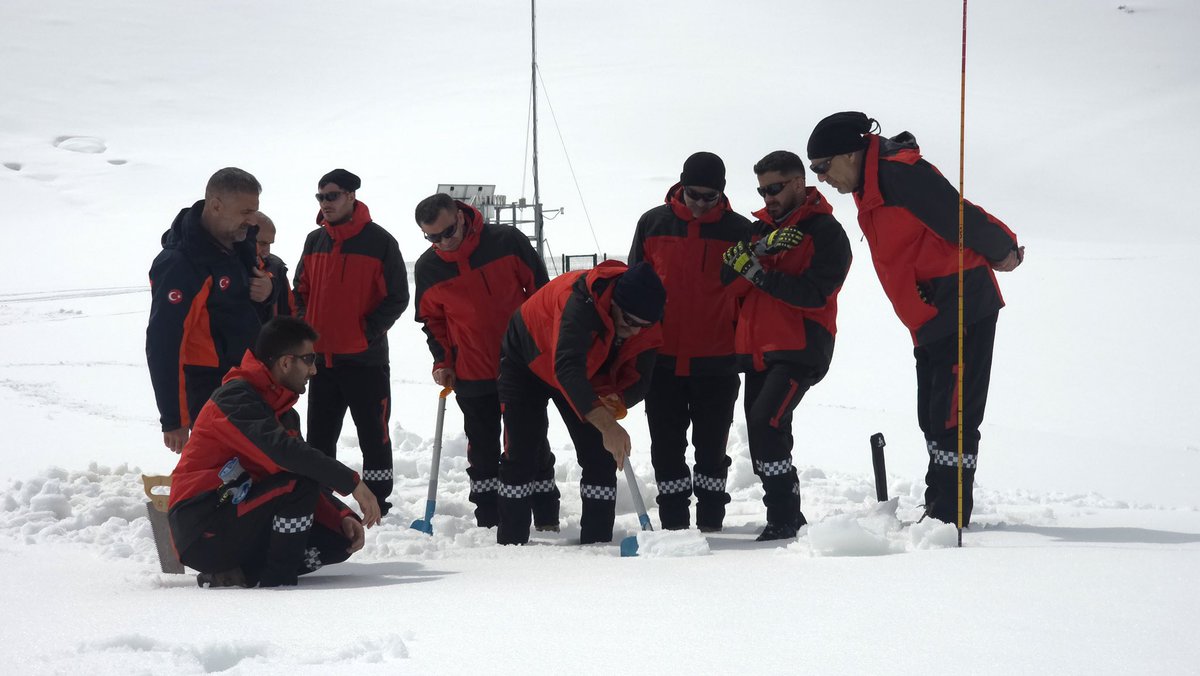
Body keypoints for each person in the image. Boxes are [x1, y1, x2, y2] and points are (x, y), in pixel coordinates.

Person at [806, 111, 1024, 526]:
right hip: (927, 316)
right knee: (933, 412)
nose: (821, 178)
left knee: (954, 415)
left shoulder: (900, 175)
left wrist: (1004, 249)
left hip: (960, 304)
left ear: (850, 155)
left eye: (822, 167)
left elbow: (959, 216)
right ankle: (938, 503)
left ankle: (949, 514)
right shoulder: (871, 184)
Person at [168, 316, 382, 588]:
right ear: (285, 362)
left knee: (339, 541)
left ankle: (244, 574)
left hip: (240, 515)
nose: (314, 370)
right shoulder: (235, 400)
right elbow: (285, 455)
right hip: (202, 527)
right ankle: (278, 584)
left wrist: (341, 515)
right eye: (309, 359)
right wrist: (352, 483)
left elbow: (297, 472)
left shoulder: (284, 412)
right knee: (298, 484)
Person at [720, 151, 852, 540]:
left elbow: (816, 293)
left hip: (801, 347)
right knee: (765, 435)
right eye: (763, 191)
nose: (768, 198)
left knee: (766, 422)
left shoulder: (825, 231)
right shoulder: (758, 231)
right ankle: (785, 514)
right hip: (759, 349)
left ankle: (784, 517)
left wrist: (760, 274)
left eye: (775, 188)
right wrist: (760, 251)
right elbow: (728, 280)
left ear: (799, 183)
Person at [496, 260, 665, 546]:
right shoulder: (579, 302)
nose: (636, 331)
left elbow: (642, 377)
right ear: (615, 304)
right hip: (528, 360)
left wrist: (618, 400)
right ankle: (512, 545)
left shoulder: (645, 317)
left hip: (583, 369)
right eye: (629, 322)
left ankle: (597, 544)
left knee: (600, 456)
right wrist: (608, 426)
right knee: (521, 452)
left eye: (643, 326)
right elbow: (566, 368)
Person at [627, 152, 751, 532]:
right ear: (681, 186)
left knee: (712, 451)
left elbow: (750, 294)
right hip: (662, 361)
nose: (699, 204)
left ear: (722, 193)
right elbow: (634, 287)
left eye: (709, 197)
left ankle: (712, 522)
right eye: (693, 194)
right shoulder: (653, 223)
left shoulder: (738, 230)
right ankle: (674, 527)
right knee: (667, 449)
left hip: (717, 360)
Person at [413, 193, 551, 528]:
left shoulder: (506, 241)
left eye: (447, 233)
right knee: (483, 448)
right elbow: (434, 322)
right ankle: (489, 517)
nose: (443, 242)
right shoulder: (428, 268)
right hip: (471, 370)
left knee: (529, 442)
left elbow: (540, 295)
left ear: (460, 216)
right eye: (432, 237)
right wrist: (442, 362)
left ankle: (546, 515)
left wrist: (543, 349)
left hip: (521, 366)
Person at [293, 169, 409, 515]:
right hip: (321, 362)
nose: (325, 203)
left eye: (332, 196)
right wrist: (305, 330)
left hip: (365, 361)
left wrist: (365, 333)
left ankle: (379, 504)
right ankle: (319, 503)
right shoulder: (315, 240)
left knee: (374, 437)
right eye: (320, 197)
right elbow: (300, 290)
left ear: (351, 196)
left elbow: (397, 297)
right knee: (319, 439)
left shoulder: (380, 242)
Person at [147, 167, 273, 454]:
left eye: (255, 211)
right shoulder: (181, 263)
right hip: (210, 385)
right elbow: (165, 342)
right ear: (216, 206)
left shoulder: (239, 243)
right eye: (245, 211)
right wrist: (174, 419)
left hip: (248, 374)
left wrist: (268, 290)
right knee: (220, 466)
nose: (253, 220)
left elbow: (251, 300)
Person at [249, 211, 295, 322]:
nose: (267, 251)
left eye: (270, 244)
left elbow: (291, 308)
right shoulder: (228, 267)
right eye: (263, 243)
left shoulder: (277, 267)